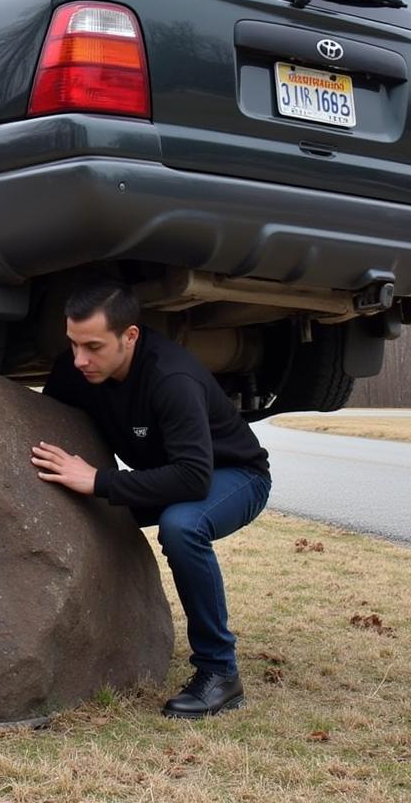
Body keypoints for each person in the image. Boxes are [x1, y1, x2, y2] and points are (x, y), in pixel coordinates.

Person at [31, 279, 271, 719]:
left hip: (232, 476)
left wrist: (101, 481)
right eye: (73, 344)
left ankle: (220, 673)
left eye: (94, 347)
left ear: (130, 336)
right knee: (81, 506)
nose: (80, 359)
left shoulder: (170, 377)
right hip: (164, 477)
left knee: (182, 526)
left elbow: (193, 479)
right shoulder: (76, 368)